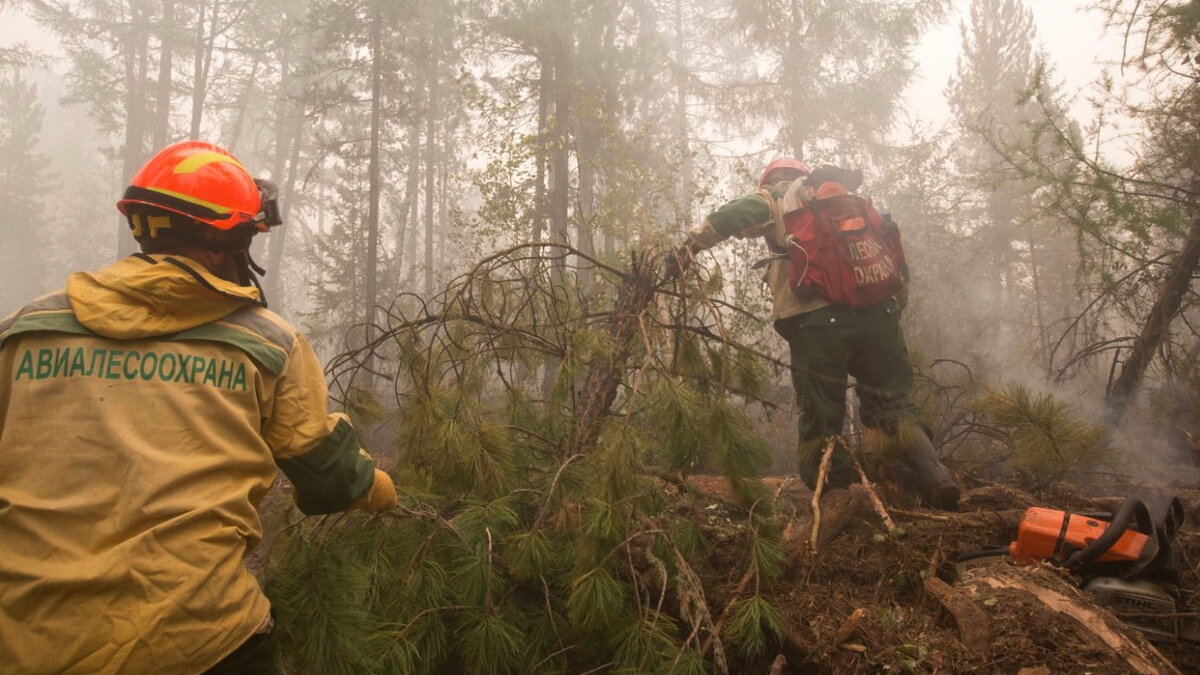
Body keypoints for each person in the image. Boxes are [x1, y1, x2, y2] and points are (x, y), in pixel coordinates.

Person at [0, 140, 398, 674]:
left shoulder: (25, 330)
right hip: (204, 641)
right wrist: (377, 488)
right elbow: (329, 481)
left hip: (30, 642)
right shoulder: (267, 342)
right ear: (227, 235)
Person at [678, 158, 959, 510]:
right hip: (880, 314)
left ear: (773, 179)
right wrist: (884, 313)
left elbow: (732, 215)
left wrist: (690, 247)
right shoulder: (852, 204)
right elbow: (896, 269)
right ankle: (933, 476)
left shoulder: (778, 196)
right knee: (892, 406)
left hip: (818, 321)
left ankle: (835, 499)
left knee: (822, 415)